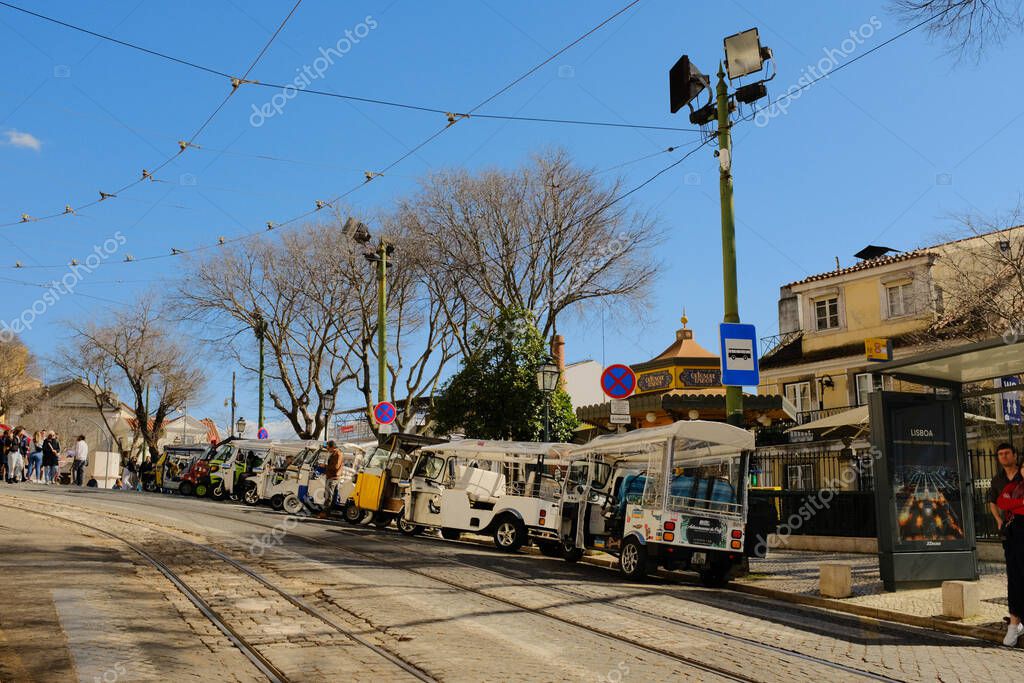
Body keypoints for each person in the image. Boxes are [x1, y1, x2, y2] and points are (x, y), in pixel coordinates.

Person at [989, 442, 1024, 647]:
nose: (1003, 457)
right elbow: (999, 502)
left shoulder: (1019, 476)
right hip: (1012, 532)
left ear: (1014, 455)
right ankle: (1014, 623)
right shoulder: (999, 480)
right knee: (1015, 577)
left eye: (1006, 453)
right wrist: (999, 520)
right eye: (1000, 454)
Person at [318, 441, 344, 519]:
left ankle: (325, 513)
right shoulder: (336, 453)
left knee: (328, 496)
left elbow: (335, 467)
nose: (327, 449)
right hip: (334, 477)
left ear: (332, 447)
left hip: (333, 477)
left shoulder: (337, 454)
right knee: (330, 496)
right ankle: (329, 513)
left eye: (328, 447)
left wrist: (324, 466)